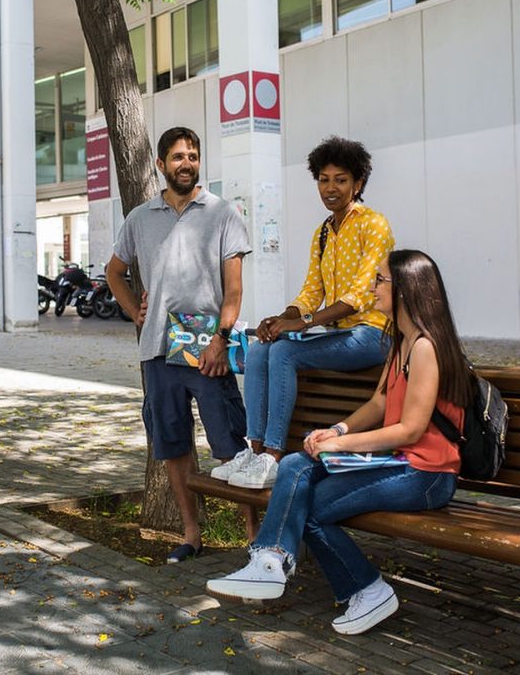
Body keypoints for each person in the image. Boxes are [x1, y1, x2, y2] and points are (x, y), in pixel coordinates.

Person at [206, 249, 475, 635]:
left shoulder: (426, 348)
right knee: (297, 464)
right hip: (401, 464)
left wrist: (342, 446)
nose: (373, 287)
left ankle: (366, 589)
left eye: (380, 280)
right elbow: (380, 402)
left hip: (427, 475)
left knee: (309, 508)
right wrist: (338, 431)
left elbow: (412, 430)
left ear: (406, 289)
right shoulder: (401, 342)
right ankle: (267, 561)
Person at [106, 126, 252, 564]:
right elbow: (115, 272)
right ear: (161, 164)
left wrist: (221, 340)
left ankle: (253, 535)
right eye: (177, 157)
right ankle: (191, 535)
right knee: (173, 446)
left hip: (206, 345)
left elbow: (234, 290)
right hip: (157, 349)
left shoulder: (223, 213)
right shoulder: (139, 218)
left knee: (230, 445)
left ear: (199, 161)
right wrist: (135, 309)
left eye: (192, 155)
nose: (185, 163)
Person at [213, 136, 394, 490]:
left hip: (372, 335)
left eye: (340, 180)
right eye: (323, 180)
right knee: (263, 347)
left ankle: (275, 458)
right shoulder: (324, 233)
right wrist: (280, 319)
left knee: (284, 351)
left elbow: (358, 296)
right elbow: (311, 292)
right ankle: (256, 449)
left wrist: (299, 324)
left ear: (358, 184)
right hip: (340, 337)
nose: (330, 188)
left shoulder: (374, 224)